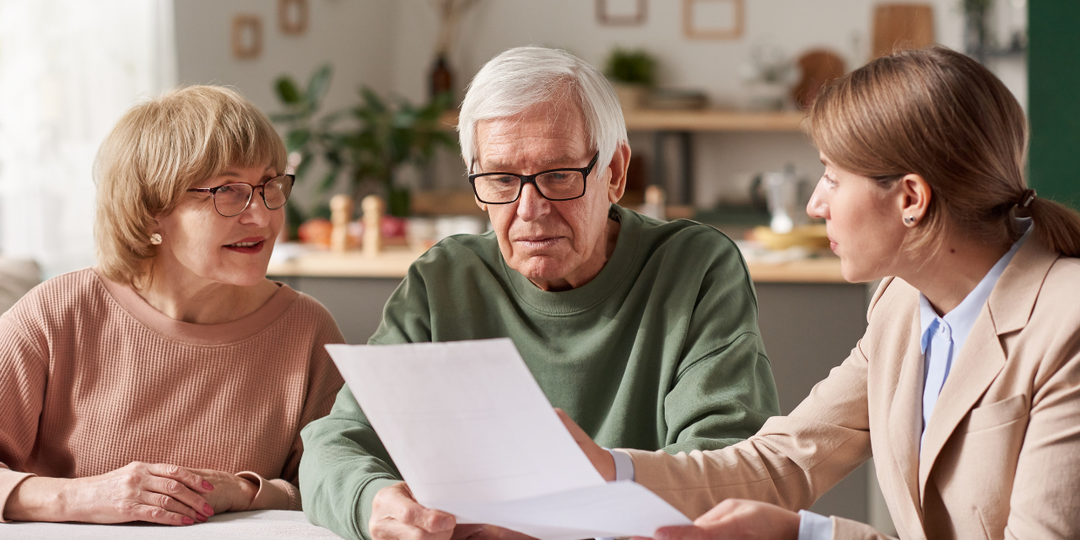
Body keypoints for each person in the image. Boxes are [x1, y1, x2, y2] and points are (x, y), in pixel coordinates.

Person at [563, 46, 1080, 540]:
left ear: (911, 198)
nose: (815, 204)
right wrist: (608, 470)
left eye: (832, 177)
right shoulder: (902, 305)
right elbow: (784, 461)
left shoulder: (1067, 326)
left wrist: (806, 535)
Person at [299, 46, 780, 540]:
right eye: (501, 179)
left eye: (558, 175)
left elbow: (729, 467)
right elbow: (334, 445)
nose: (530, 209)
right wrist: (374, 503)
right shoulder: (443, 279)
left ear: (615, 173)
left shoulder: (695, 267)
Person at [0, 86, 345, 526]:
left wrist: (246, 491)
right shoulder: (57, 314)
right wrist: (80, 496)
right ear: (149, 210)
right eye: (228, 190)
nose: (262, 216)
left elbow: (341, 487)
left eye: (269, 185)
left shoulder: (307, 329)